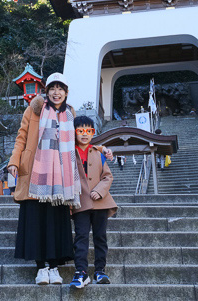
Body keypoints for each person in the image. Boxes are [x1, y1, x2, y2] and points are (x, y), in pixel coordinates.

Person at [8, 72, 81, 285]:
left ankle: (54, 267)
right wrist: (14, 161)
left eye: (60, 89)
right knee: (36, 220)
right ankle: (41, 268)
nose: (56, 92)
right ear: (46, 92)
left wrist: (102, 150)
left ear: (66, 92)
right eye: (52, 88)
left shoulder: (69, 114)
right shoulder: (33, 110)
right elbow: (21, 137)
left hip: (61, 177)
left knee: (56, 221)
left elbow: (81, 141)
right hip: (35, 174)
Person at [69, 115, 118, 289]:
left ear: (93, 133)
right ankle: (81, 271)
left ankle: (100, 270)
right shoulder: (69, 152)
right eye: (80, 130)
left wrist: (99, 190)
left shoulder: (98, 153)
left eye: (88, 131)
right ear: (74, 133)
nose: (84, 134)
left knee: (100, 237)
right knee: (81, 237)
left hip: (100, 202)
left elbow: (107, 176)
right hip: (80, 203)